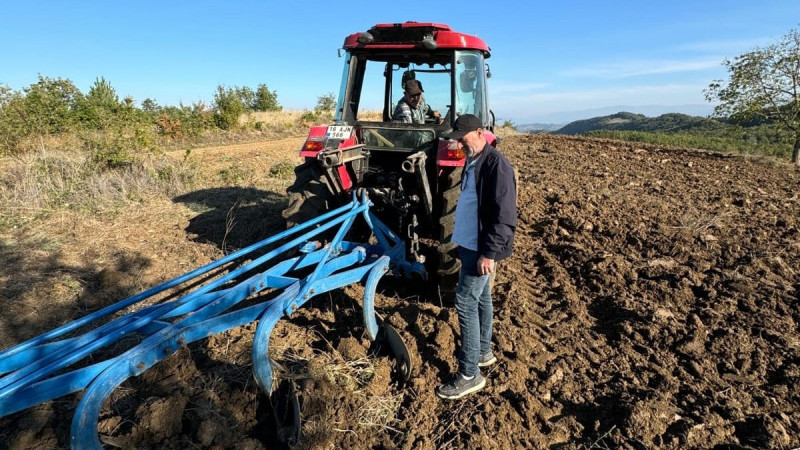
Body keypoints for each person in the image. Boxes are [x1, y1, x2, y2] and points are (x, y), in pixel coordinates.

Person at [435, 114, 517, 400]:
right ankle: (482, 352)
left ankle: (469, 374)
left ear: (480, 132)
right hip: (471, 244)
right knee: (482, 298)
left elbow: (504, 216)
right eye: (456, 137)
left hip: (483, 249)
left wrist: (489, 253)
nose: (459, 142)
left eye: (463, 136)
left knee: (465, 302)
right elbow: (470, 205)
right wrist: (461, 241)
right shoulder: (471, 160)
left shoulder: (497, 165)